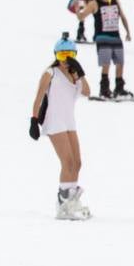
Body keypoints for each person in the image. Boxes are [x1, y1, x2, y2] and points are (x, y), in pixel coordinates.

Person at [29, 35, 92, 220]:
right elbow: (39, 96)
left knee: (77, 163)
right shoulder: (51, 73)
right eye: (62, 55)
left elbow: (87, 92)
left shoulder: (74, 74)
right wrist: (33, 120)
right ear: (56, 55)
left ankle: (71, 198)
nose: (66, 59)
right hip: (55, 122)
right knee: (68, 162)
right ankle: (64, 202)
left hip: (69, 122)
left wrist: (80, 73)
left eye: (70, 55)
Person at [76, 0, 132, 99]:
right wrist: (77, 11)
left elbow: (122, 16)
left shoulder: (115, 1)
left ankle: (119, 88)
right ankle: (104, 89)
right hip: (102, 37)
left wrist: (128, 32)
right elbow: (82, 16)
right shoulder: (94, 3)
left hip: (116, 36)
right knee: (106, 63)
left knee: (120, 63)